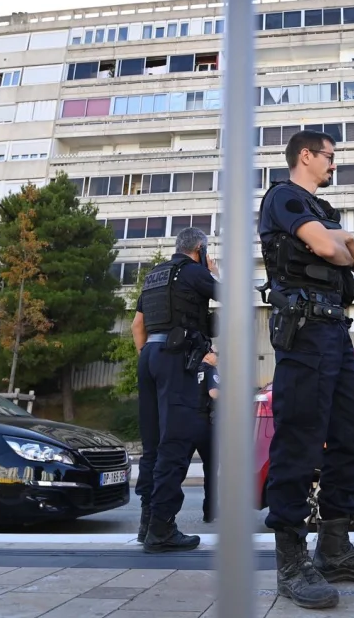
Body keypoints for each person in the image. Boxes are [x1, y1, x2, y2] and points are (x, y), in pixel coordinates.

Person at [258, 130, 354, 610]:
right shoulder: (284, 198)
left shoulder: (325, 210)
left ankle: (334, 548)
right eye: (329, 156)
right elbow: (329, 251)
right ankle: (291, 563)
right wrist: (339, 242)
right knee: (299, 441)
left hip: (335, 330)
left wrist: (346, 238)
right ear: (305, 155)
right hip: (303, 332)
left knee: (351, 438)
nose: (334, 164)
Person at [131, 227, 218, 553]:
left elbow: (137, 326)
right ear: (200, 249)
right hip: (175, 358)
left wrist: (150, 358)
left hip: (149, 357)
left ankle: (147, 523)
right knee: (176, 442)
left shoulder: (155, 275)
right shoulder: (194, 272)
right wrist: (214, 273)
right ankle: (162, 528)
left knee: (152, 445)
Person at [196, 348, 219, 523]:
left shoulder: (190, 369)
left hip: (186, 422)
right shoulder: (211, 370)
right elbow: (214, 393)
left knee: (178, 468)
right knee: (211, 469)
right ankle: (209, 512)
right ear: (208, 354)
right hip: (205, 424)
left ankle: (163, 515)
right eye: (216, 354)